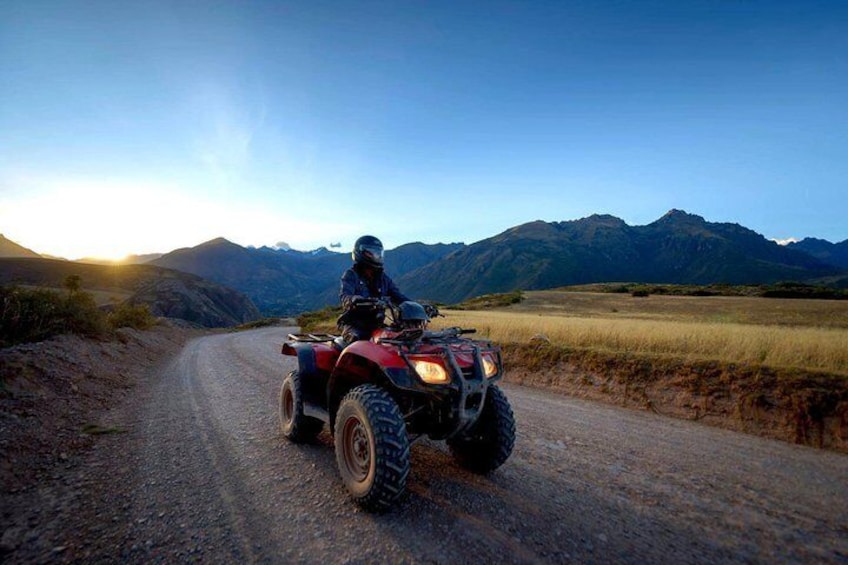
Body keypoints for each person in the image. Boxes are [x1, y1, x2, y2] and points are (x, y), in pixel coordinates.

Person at [338, 235, 411, 342]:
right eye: (371, 252)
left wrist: (416, 305)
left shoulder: (383, 278)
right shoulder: (351, 275)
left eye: (378, 252)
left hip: (377, 325)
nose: (376, 255)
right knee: (357, 345)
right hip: (355, 325)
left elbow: (398, 296)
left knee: (396, 341)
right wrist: (354, 299)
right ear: (360, 252)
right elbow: (345, 296)